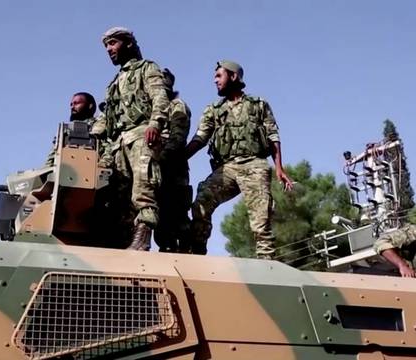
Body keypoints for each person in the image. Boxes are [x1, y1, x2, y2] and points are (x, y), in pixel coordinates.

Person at [185, 60, 293, 258]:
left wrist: (279, 168)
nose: (215, 80)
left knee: (261, 219)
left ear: (233, 76)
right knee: (201, 202)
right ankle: (198, 252)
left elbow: (273, 136)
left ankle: (266, 262)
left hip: (255, 165)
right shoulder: (214, 110)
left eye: (219, 76)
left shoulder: (258, 105)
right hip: (226, 168)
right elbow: (200, 138)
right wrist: (180, 157)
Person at [91, 27, 170, 251]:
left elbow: (160, 97)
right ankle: (125, 238)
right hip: (119, 144)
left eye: (113, 43)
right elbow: (106, 117)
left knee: (143, 188)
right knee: (120, 196)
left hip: (141, 135)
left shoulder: (148, 68)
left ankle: (143, 237)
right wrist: (89, 138)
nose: (109, 49)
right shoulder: (115, 82)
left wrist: (155, 123)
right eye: (107, 46)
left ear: (128, 43)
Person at [154, 68, 192, 253]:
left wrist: (162, 157)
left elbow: (178, 136)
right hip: (154, 166)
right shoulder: (152, 110)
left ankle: (187, 251)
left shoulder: (177, 105)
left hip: (172, 166)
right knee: (159, 213)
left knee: (176, 213)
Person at [44, 92, 97, 167]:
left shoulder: (98, 125)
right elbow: (53, 156)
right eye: (71, 104)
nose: (72, 107)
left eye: (76, 103)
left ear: (90, 106)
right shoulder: (66, 129)